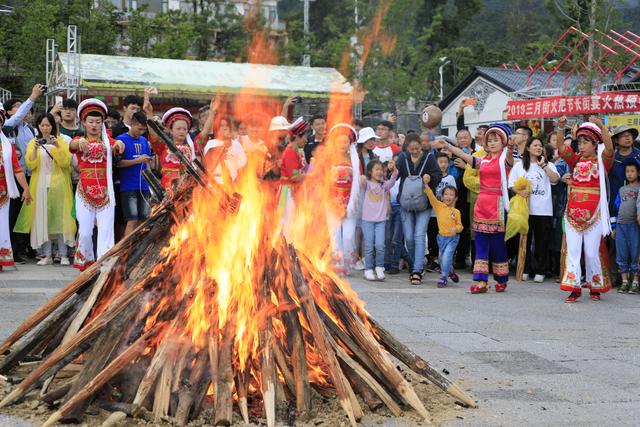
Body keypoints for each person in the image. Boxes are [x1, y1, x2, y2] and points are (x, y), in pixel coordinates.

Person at [445, 124, 515, 294]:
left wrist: (511, 146)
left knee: (498, 244)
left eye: (495, 140)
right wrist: (449, 146)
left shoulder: (504, 159)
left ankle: (501, 279)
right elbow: (464, 156)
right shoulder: (483, 160)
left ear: (503, 142)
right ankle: (481, 281)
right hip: (482, 203)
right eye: (489, 140)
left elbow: (510, 158)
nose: (491, 143)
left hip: (497, 204)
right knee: (480, 242)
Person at [556, 116, 614, 302]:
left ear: (595, 143)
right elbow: (561, 149)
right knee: (573, 251)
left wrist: (600, 126)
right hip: (573, 213)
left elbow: (610, 148)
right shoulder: (575, 160)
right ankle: (574, 288)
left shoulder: (602, 161)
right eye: (579, 142)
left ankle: (594, 286)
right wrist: (560, 128)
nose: (581, 146)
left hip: (594, 215)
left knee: (591, 252)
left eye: (585, 142)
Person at [70, 99, 125, 270]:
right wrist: (79, 144)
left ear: (102, 123)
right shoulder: (79, 139)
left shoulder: (108, 140)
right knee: (85, 232)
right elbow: (71, 146)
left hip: (106, 192)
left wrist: (120, 144)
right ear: (84, 122)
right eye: (91, 121)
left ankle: (104, 268)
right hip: (85, 191)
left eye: (98, 122)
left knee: (106, 232)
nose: (94, 125)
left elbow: (117, 144)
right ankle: (86, 264)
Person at [14, 113, 75, 265]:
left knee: (62, 219)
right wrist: (34, 148)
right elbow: (30, 164)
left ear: (53, 126)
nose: (45, 128)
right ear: (38, 126)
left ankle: (63, 254)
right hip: (40, 185)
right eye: (42, 125)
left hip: (59, 185)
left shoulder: (61, 140)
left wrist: (57, 146)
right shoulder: (33, 142)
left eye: (48, 125)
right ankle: (46, 255)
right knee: (43, 219)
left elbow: (65, 162)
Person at [508, 137, 560, 282]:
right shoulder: (519, 166)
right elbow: (511, 183)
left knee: (542, 241)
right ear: (528, 148)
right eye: (535, 145)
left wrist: (544, 166)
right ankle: (524, 268)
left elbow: (555, 179)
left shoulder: (548, 164)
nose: (538, 148)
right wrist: (520, 192)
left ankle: (540, 270)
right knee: (524, 239)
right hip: (524, 209)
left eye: (540, 145)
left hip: (543, 209)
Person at [3, 84, 44, 264]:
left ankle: (23, 248)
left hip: (28, 174)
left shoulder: (29, 129)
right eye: (17, 108)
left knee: (24, 213)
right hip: (12, 178)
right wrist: (33, 96)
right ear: (9, 113)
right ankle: (12, 249)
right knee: (12, 215)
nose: (22, 111)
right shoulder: (9, 126)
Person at [396, 133, 441, 285]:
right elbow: (394, 176)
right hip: (406, 203)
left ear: (421, 145)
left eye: (417, 148)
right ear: (407, 148)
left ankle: (416, 269)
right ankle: (416, 262)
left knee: (419, 235)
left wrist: (431, 178)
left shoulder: (429, 158)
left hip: (424, 203)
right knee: (408, 237)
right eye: (411, 149)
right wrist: (391, 169)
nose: (414, 151)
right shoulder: (402, 158)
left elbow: (438, 175)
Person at [0, 102, 33, 268]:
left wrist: (26, 189)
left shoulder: (7, 147)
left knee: (3, 225)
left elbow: (17, 169)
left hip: (4, 194)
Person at [360, 159, 398, 281]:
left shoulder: (384, 185)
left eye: (381, 169)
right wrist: (361, 177)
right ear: (370, 172)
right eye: (376, 169)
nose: (379, 172)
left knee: (380, 245)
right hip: (367, 220)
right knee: (369, 246)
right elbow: (361, 180)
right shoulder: (367, 184)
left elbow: (392, 180)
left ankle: (379, 267)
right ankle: (368, 269)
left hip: (381, 220)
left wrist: (394, 170)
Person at [117, 111, 153, 236]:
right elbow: (118, 164)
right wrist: (138, 160)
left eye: (144, 130)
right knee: (131, 220)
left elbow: (147, 162)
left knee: (143, 221)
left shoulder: (144, 140)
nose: (141, 132)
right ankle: (126, 251)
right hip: (128, 187)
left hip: (144, 185)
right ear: (132, 124)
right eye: (139, 129)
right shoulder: (121, 139)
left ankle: (138, 251)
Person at [423, 180, 463, 288]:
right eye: (446, 194)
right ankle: (450, 272)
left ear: (456, 198)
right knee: (443, 259)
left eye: (451, 195)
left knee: (446, 257)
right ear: (442, 196)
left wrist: (456, 229)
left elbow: (460, 226)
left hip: (452, 239)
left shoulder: (456, 212)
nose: (448, 197)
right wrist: (426, 186)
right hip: (441, 238)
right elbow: (431, 197)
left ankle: (443, 277)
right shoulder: (439, 206)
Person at [149, 107, 197, 189]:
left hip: (186, 185)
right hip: (169, 186)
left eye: (185, 129)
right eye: (178, 129)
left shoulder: (190, 147)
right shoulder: (163, 146)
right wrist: (148, 112)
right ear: (171, 130)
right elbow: (153, 135)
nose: (182, 131)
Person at [614, 158, 640, 294]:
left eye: (632, 171)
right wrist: (614, 226)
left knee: (635, 253)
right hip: (621, 225)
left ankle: (635, 281)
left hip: (634, 225)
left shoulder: (639, 189)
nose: (629, 174)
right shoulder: (621, 189)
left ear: (638, 172)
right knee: (621, 253)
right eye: (627, 171)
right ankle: (624, 281)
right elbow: (616, 207)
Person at [203, 116, 247, 185]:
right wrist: (226, 143)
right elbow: (208, 164)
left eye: (227, 125)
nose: (225, 128)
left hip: (232, 186)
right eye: (222, 125)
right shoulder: (211, 143)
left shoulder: (237, 145)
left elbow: (241, 168)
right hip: (214, 186)